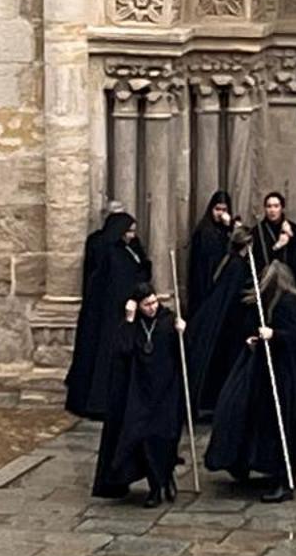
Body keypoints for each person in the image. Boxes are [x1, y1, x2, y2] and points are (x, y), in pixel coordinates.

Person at [204, 259, 296, 503]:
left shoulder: (290, 303)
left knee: (284, 426)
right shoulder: (276, 303)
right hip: (275, 372)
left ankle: (284, 481)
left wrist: (275, 334)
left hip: (291, 376)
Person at [91, 282, 188, 507]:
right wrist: (129, 318)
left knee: (165, 438)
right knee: (145, 439)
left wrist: (183, 333)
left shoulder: (168, 320)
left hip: (166, 390)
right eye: (147, 305)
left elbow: (184, 354)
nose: (152, 308)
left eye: (154, 302)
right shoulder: (133, 326)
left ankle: (166, 476)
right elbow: (122, 350)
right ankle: (156, 487)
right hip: (141, 392)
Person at [65, 210, 148, 419]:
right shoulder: (106, 249)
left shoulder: (127, 249)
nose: (132, 235)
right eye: (128, 231)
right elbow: (111, 281)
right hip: (108, 313)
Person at [182, 221, 259, 416]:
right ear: (248, 245)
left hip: (228, 324)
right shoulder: (236, 265)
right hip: (231, 326)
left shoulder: (232, 262)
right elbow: (232, 296)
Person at [187, 190, 233, 315]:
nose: (220, 214)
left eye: (224, 210)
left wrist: (230, 227)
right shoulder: (204, 230)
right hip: (205, 281)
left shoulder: (227, 229)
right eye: (217, 209)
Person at [255, 191, 296, 289]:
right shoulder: (258, 231)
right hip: (267, 283)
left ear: (282, 208)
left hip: (290, 284)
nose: (272, 210)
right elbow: (258, 259)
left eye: (276, 206)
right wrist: (277, 246)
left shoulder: (293, 228)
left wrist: (292, 238)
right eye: (269, 206)